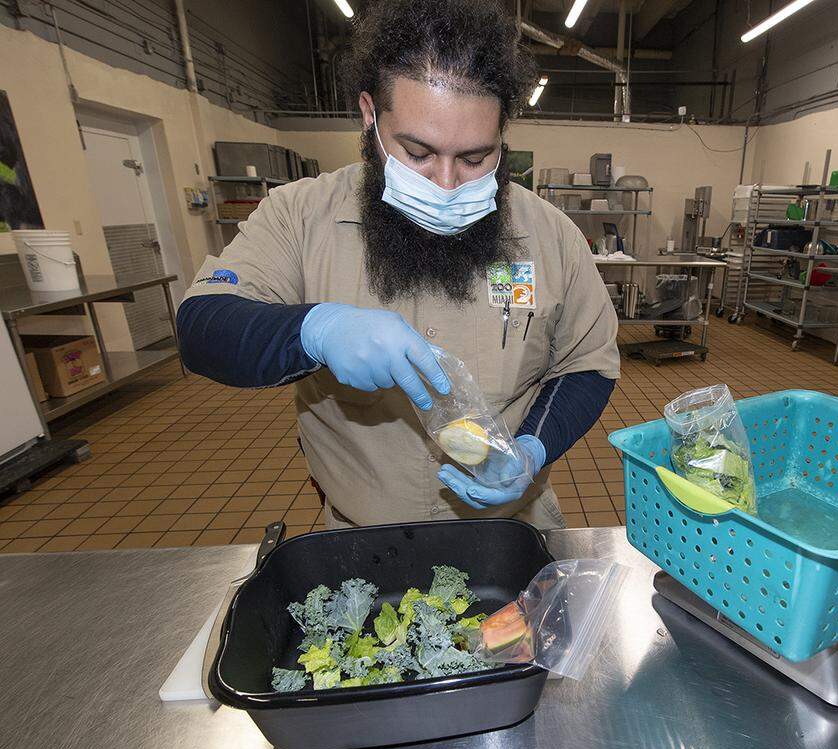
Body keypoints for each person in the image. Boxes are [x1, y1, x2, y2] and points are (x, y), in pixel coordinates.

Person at [176, 0, 619, 530]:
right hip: (364, 538)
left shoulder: (550, 236)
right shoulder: (300, 215)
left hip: (514, 528)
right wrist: (315, 331)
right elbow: (202, 326)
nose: (447, 183)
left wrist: (533, 448)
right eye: (418, 152)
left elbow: (586, 364)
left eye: (476, 158)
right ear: (370, 114)